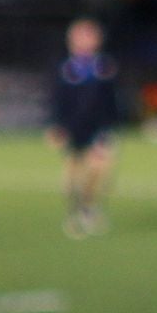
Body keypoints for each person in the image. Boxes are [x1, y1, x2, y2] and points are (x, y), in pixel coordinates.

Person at [46, 16, 124, 238]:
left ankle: (88, 208)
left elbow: (112, 101)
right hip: (72, 128)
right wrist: (56, 127)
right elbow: (56, 100)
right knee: (73, 173)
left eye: (89, 35)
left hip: (98, 128)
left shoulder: (105, 67)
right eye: (79, 35)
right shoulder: (64, 69)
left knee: (99, 169)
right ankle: (74, 211)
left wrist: (110, 127)